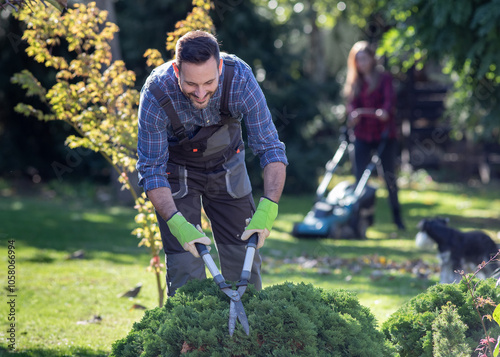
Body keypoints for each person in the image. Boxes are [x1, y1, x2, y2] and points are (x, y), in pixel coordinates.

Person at [136, 30, 288, 296]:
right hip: (177, 173)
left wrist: (269, 207)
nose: (201, 92)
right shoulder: (156, 93)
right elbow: (151, 170)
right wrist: (176, 221)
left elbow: (270, 148)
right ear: (176, 70)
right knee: (186, 266)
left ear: (219, 67)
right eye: (191, 84)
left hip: (228, 166)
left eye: (208, 82)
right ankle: (189, 337)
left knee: (244, 259)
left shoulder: (240, 78)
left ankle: (246, 333)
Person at [344, 40, 405, 231]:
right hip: (362, 135)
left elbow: (389, 103)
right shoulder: (355, 82)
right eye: (358, 60)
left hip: (384, 136)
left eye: (364, 58)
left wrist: (384, 112)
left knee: (389, 178)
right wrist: (352, 115)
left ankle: (397, 219)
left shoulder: (384, 79)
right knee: (360, 178)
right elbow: (351, 105)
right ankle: (360, 221)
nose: (361, 63)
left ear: (372, 59)